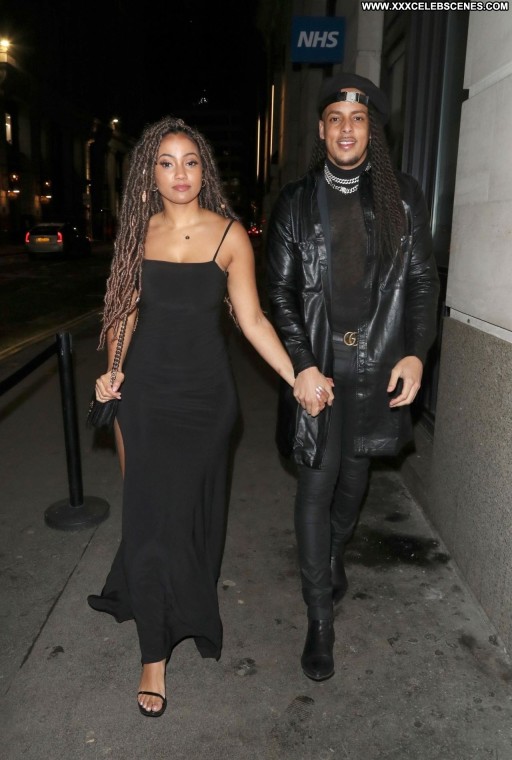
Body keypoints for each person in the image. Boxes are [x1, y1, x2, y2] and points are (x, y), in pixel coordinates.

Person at [87, 115, 326, 718]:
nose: (180, 173)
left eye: (190, 161)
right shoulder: (137, 233)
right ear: (150, 173)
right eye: (166, 162)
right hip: (144, 396)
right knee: (149, 517)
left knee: (187, 518)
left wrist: (298, 373)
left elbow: (253, 321)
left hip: (206, 401)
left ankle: (179, 602)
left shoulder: (229, 236)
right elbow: (125, 313)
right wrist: (112, 370)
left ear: (204, 170)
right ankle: (154, 653)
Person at [265, 73, 440, 682]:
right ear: (322, 129)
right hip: (316, 367)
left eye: (358, 119)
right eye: (336, 118)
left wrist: (416, 351)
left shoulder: (403, 198)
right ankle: (320, 619)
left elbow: (421, 281)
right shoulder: (295, 202)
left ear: (372, 131)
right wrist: (302, 365)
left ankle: (335, 551)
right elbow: (280, 294)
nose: (346, 128)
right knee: (317, 484)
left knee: (354, 477)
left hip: (375, 368)